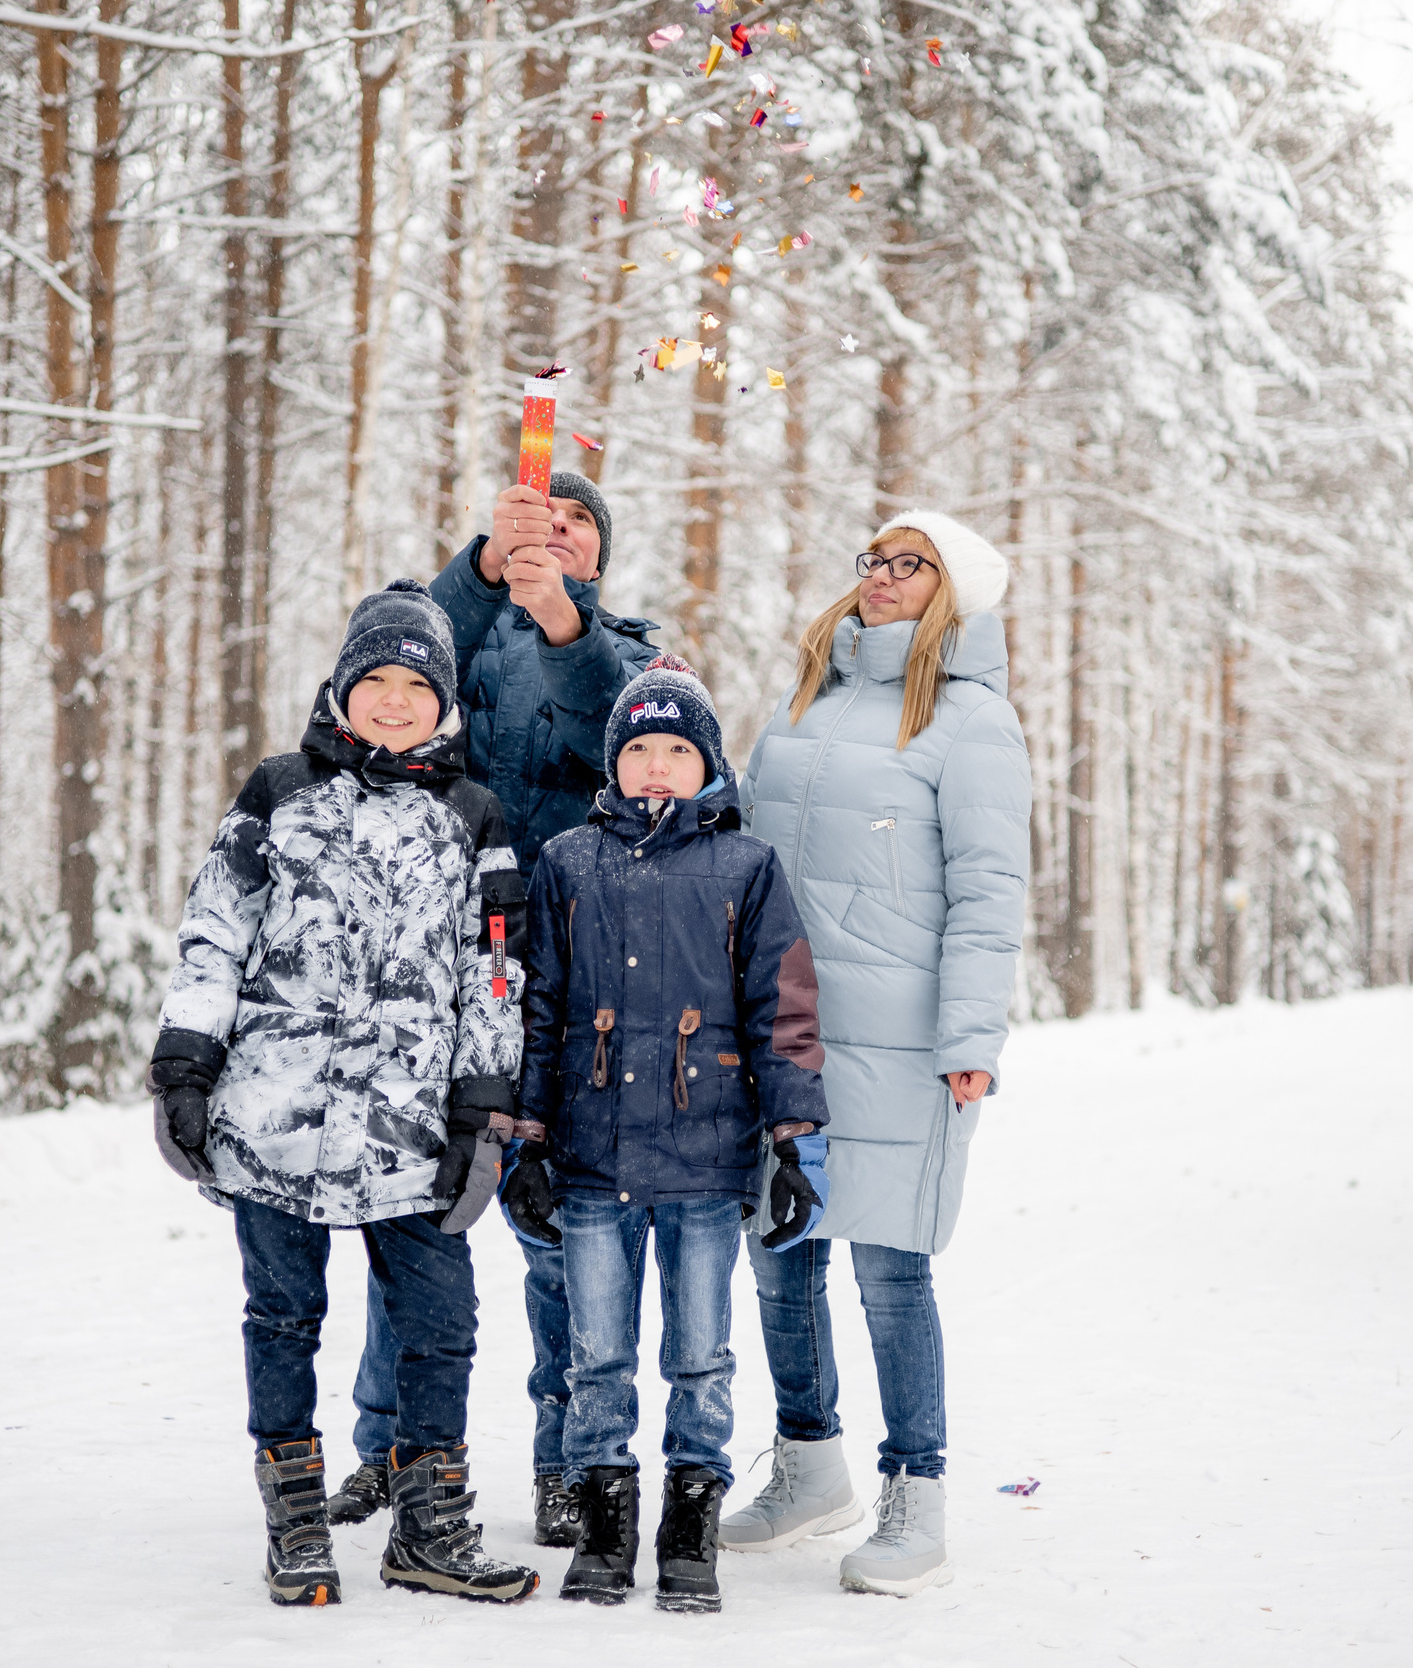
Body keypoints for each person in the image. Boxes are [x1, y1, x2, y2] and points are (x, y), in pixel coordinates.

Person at [147, 579, 540, 1608]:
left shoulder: (473, 814)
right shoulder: (277, 791)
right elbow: (214, 931)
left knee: (440, 1322)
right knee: (281, 1316)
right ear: (343, 687)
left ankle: (430, 1529)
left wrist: (479, 1112)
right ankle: (295, 1523)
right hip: (273, 1119)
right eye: (378, 679)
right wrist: (184, 1064)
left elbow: (494, 973)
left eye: (418, 683)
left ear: (444, 700)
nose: (397, 699)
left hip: (409, 1130)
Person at [328, 474, 659, 1545]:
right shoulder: (450, 637)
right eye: (534, 522)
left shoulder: (642, 658)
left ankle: (564, 1460)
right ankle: (387, 1445)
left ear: (597, 561)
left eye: (576, 527)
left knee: (560, 1236)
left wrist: (564, 624)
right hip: (436, 973)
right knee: (413, 1213)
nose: (551, 535)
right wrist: (478, 572)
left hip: (571, 983)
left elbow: (620, 737)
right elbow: (401, 662)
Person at [721, 511, 1030, 1596]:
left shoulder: (972, 722)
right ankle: (810, 1469)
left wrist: (969, 1037)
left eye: (913, 564)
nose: (884, 578)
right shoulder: (804, 700)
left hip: (902, 1040)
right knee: (778, 1253)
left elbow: (992, 893)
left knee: (890, 1268)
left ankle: (917, 1493)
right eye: (877, 560)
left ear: (957, 591)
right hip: (783, 1029)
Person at [501, 656, 831, 1612]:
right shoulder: (569, 861)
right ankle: (604, 1520)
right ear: (612, 764)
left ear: (707, 765)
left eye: (675, 749)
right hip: (593, 1161)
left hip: (706, 1159)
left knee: (701, 1354)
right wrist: (525, 1140)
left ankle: (692, 1519)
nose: (655, 765)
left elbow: (786, 1008)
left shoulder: (747, 866)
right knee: (595, 1351)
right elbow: (539, 1007)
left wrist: (791, 1141)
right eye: (637, 747)